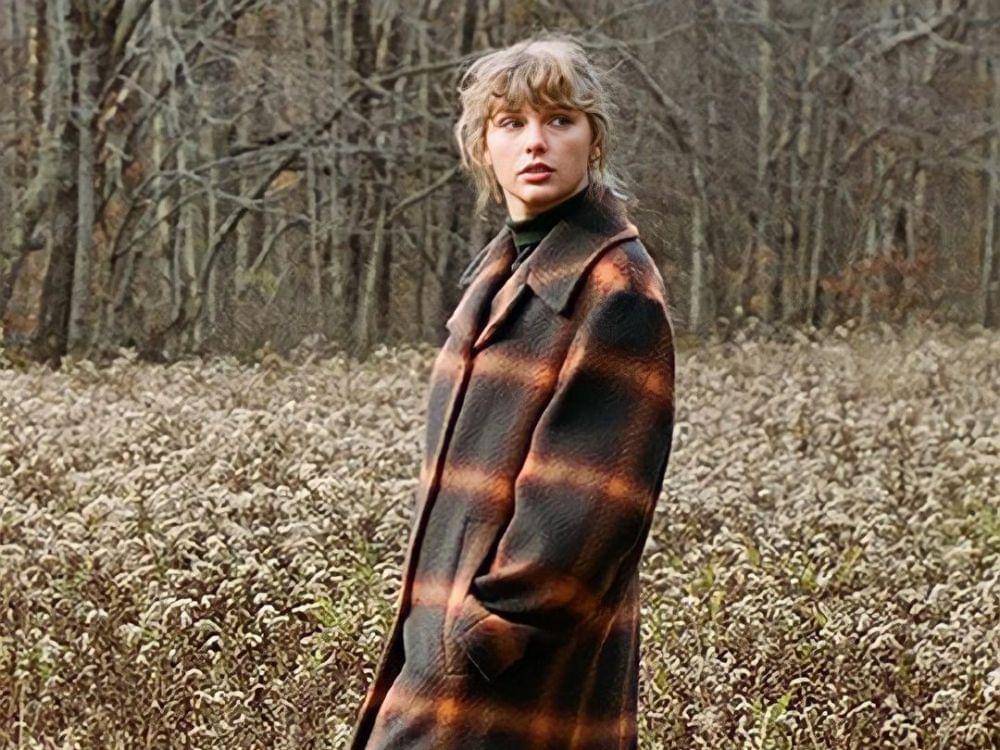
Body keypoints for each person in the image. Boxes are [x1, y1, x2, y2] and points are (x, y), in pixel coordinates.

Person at [348, 33, 676, 750]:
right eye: (511, 123)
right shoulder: (497, 276)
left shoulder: (614, 288)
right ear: (483, 146)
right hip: (446, 658)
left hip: (517, 681)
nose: (536, 142)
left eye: (560, 120)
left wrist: (484, 636)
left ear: (593, 140)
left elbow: (590, 506)